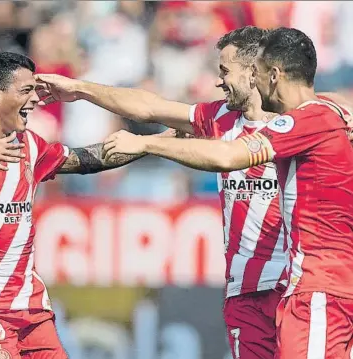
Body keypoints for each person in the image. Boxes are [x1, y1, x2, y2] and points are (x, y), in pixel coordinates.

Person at [34, 26, 352, 359]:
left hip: (297, 282)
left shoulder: (308, 119)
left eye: (225, 71)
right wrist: (80, 89)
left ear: (255, 71)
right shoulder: (221, 119)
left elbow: (228, 155)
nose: (219, 81)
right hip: (247, 289)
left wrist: (149, 143)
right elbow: (150, 108)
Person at [0, 52, 157, 359]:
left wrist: (158, 142)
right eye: (26, 91)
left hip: (31, 308)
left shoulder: (32, 145)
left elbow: (88, 159)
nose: (35, 99)